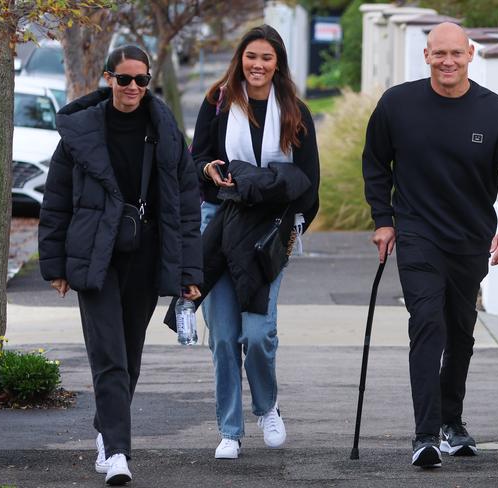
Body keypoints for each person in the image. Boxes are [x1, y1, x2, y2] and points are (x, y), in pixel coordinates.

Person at [362, 22, 498, 468]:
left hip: (469, 238)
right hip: (418, 233)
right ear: (426, 56)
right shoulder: (398, 105)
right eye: (439, 54)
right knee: (427, 325)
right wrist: (384, 220)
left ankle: (451, 422)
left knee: (460, 333)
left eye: (456, 53)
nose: (448, 62)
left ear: (471, 54)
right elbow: (376, 162)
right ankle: (425, 436)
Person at [38, 45, 202, 485]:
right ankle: (117, 452)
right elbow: (56, 203)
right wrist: (54, 265)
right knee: (108, 354)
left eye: (141, 80)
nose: (133, 88)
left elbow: (186, 206)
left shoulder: (165, 129)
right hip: (96, 255)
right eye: (124, 79)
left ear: (150, 81)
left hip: (147, 256)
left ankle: (106, 431)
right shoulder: (80, 133)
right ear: (108, 78)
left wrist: (190, 272)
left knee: (128, 357)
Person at [190, 24, 319, 460]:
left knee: (259, 333)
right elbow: (196, 161)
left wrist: (290, 231)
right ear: (240, 59)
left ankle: (267, 407)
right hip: (221, 222)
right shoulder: (218, 101)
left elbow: (309, 184)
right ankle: (230, 429)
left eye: (265, 58)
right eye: (250, 57)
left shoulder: (295, 111)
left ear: (277, 62)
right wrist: (209, 170)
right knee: (224, 336)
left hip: (268, 231)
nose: (257, 65)